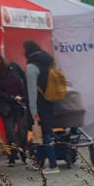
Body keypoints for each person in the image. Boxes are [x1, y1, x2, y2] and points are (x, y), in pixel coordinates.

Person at [0, 51, 30, 166]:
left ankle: (23, 152)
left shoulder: (13, 66)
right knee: (10, 133)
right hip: (6, 106)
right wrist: (11, 98)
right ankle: (12, 156)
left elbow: (24, 79)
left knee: (22, 131)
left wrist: (23, 96)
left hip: (19, 104)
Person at [23, 39, 59, 174]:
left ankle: (53, 164)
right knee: (43, 132)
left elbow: (31, 91)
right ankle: (37, 162)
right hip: (49, 101)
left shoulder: (32, 66)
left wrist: (33, 111)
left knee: (45, 133)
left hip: (38, 104)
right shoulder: (49, 62)